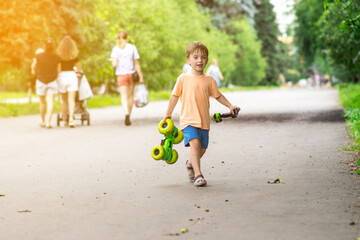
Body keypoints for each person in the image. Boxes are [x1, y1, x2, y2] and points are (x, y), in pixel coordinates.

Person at [163, 41, 240, 187]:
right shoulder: (183, 79)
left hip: (203, 121)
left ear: (207, 61)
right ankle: (198, 175)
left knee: (202, 149)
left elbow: (218, 96)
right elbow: (174, 96)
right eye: (196, 57)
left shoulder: (209, 80)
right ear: (188, 60)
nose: (199, 60)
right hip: (188, 120)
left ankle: (190, 164)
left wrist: (230, 106)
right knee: (195, 144)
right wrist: (167, 114)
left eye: (203, 57)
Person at [111, 30, 144, 126]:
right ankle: (129, 115)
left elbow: (114, 64)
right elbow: (136, 63)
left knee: (123, 96)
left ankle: (125, 113)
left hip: (121, 75)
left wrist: (114, 65)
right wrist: (141, 76)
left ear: (118, 37)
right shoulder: (132, 48)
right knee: (130, 96)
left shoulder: (116, 49)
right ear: (127, 37)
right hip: (132, 74)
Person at [31, 39, 60, 128]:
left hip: (41, 80)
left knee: (42, 102)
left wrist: (34, 72)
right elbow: (59, 71)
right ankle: (48, 122)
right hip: (52, 81)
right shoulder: (57, 57)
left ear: (45, 46)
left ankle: (43, 120)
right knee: (50, 101)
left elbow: (33, 66)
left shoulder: (39, 56)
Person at [56, 36, 81, 128]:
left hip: (62, 76)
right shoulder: (74, 55)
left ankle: (64, 121)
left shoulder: (59, 56)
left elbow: (58, 69)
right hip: (71, 76)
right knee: (71, 100)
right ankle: (71, 119)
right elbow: (78, 69)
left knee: (64, 101)